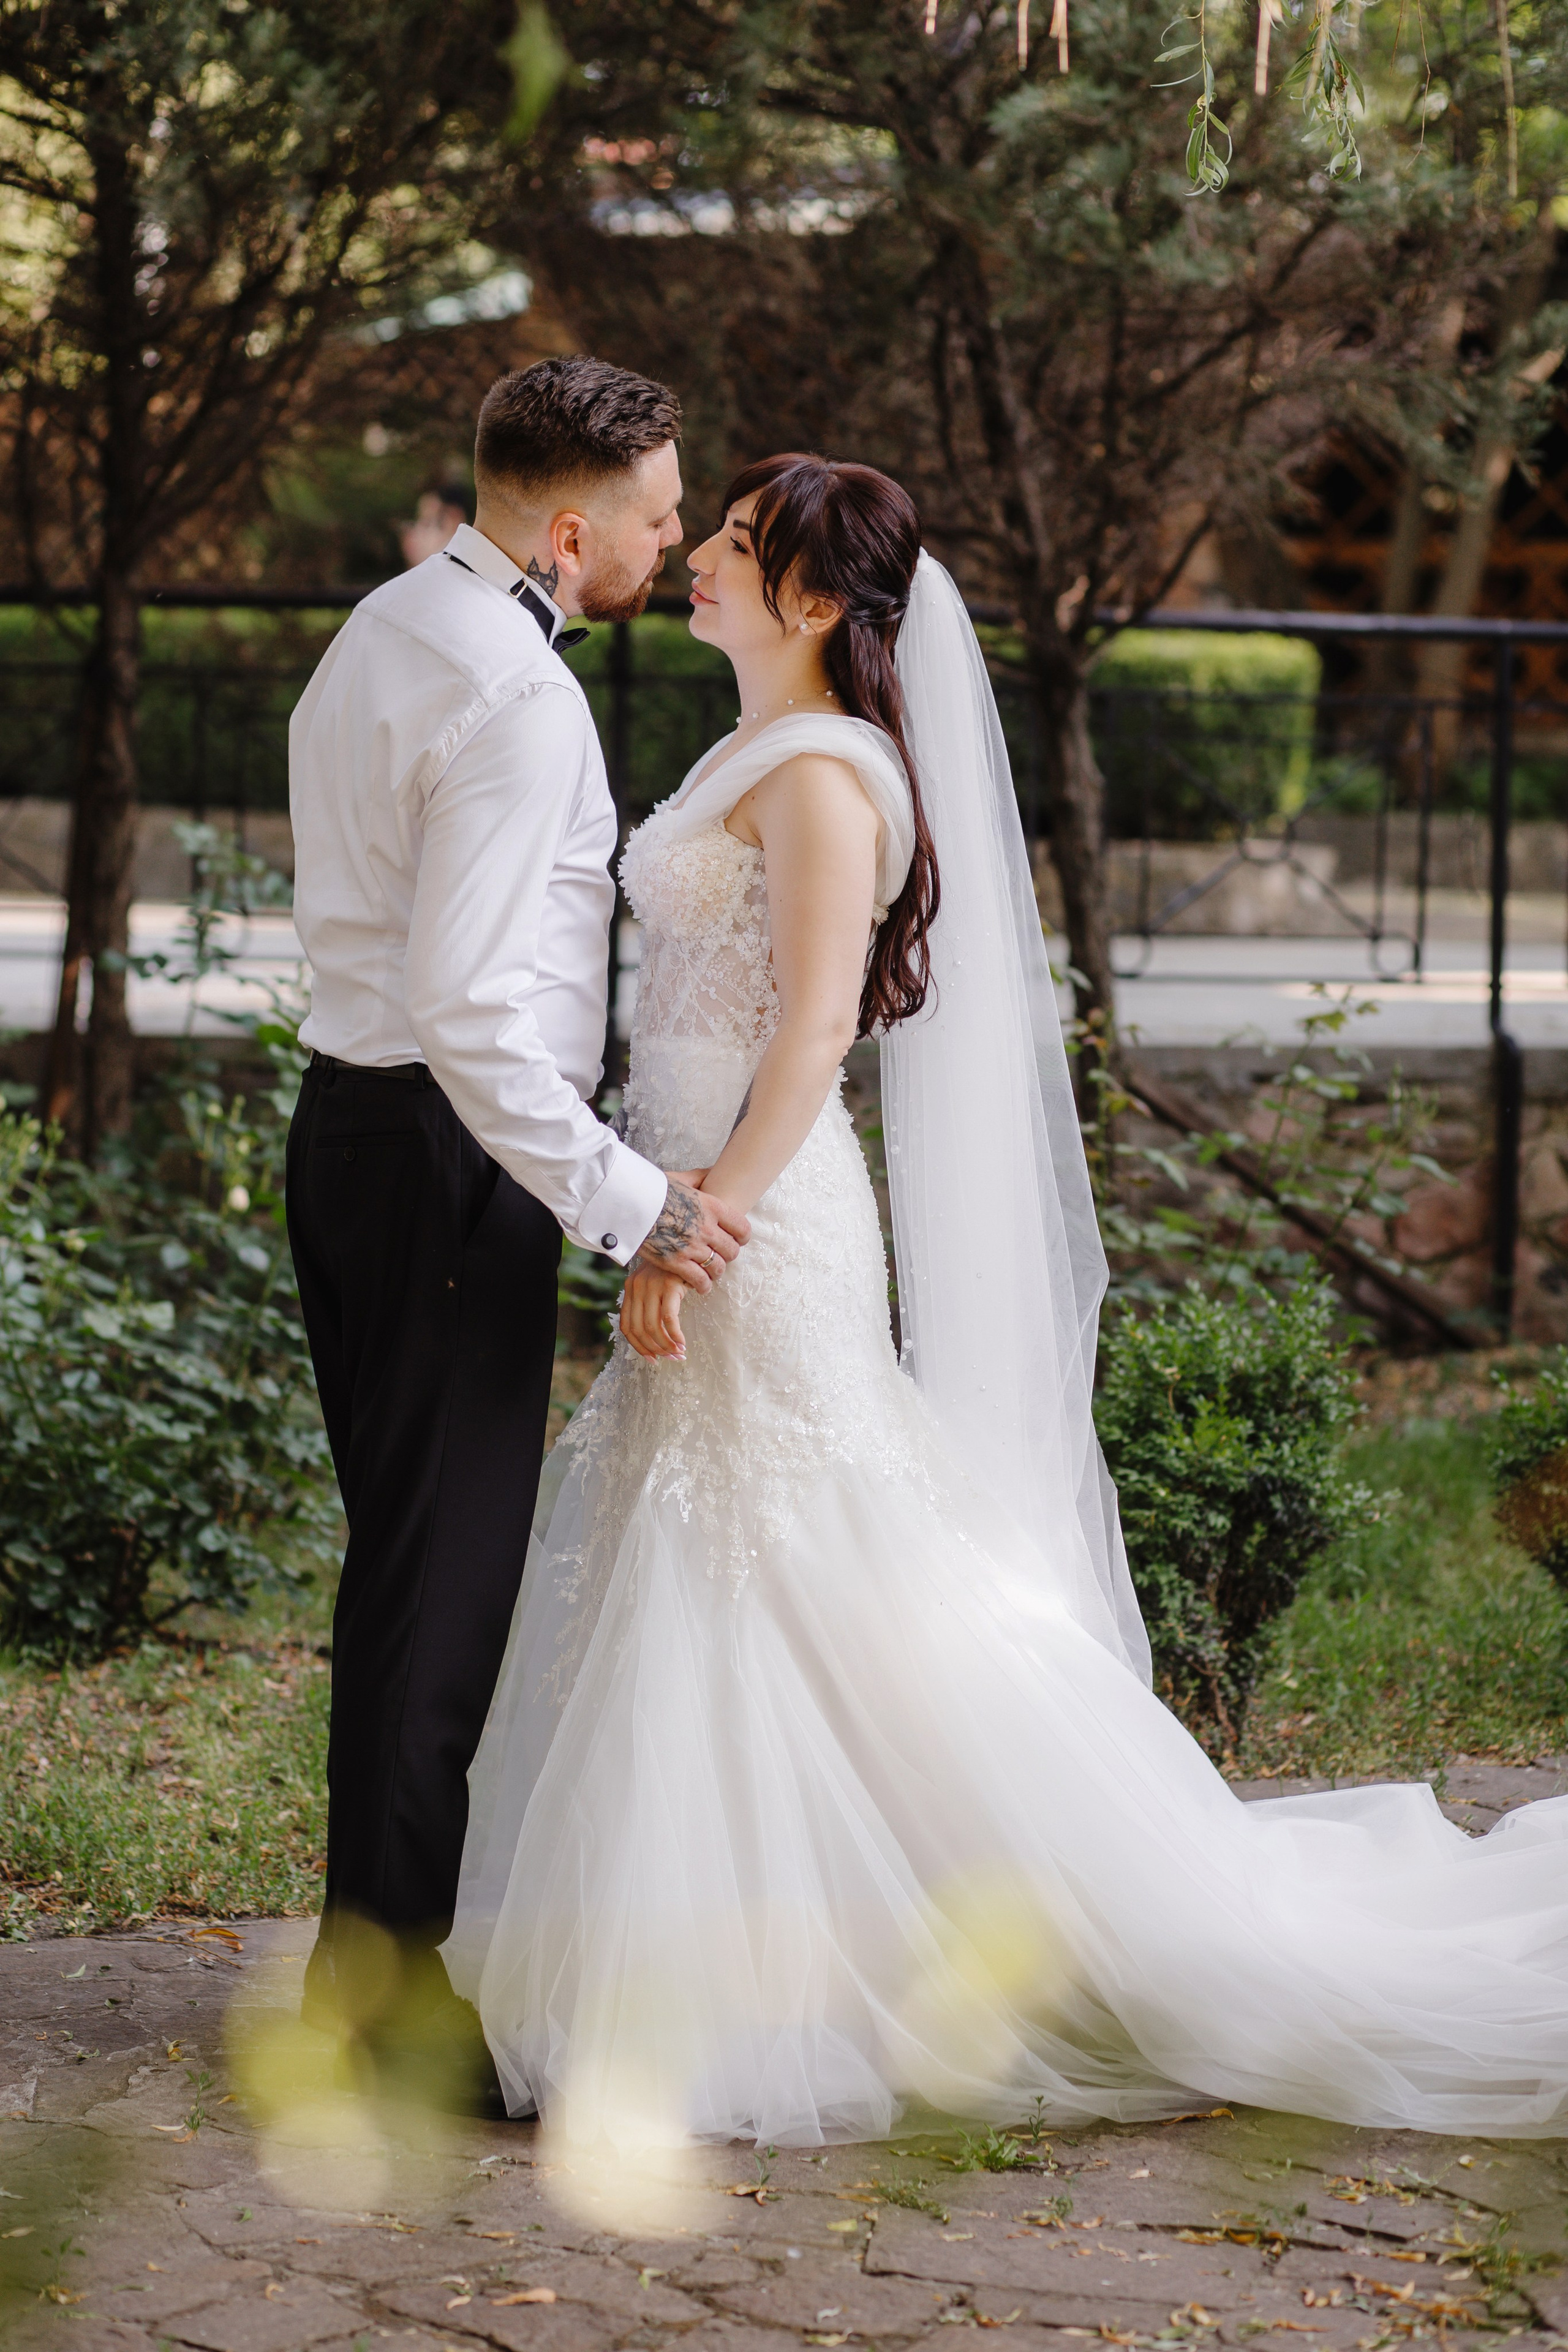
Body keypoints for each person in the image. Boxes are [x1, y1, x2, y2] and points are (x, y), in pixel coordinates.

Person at [448, 451, 1568, 2149]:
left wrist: (698, 1228)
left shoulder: (828, 776)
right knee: (747, 1572)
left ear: (817, 600)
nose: (701, 564)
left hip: (756, 1214)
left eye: (735, 549)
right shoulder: (753, 747)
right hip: (698, 1198)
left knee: (789, 1559)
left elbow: (816, 1032)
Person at [285, 358, 749, 2112]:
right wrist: (639, 1201)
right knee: (442, 1585)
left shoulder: (392, 626)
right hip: (441, 1158)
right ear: (571, 526)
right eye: (653, 515)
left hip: (356, 1134)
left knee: (406, 1563)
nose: (672, 537)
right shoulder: (517, 694)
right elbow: (476, 1013)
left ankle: (367, 1967)